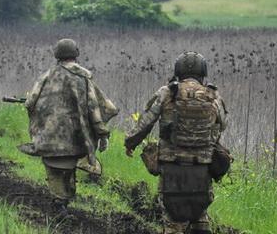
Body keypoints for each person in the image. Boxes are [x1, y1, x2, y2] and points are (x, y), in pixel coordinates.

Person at [124, 52, 228, 234]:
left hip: (171, 167)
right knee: (200, 216)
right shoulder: (212, 95)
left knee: (173, 221)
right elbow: (223, 124)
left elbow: (145, 122)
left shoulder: (167, 92)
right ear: (203, 73)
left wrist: (130, 142)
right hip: (202, 169)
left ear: (177, 71)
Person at [24, 38, 118, 211]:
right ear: (76, 54)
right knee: (69, 167)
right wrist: (102, 134)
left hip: (48, 139)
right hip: (76, 139)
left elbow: (30, 103)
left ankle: (59, 201)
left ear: (57, 55)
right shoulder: (83, 78)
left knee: (54, 170)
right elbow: (96, 109)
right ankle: (62, 201)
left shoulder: (45, 76)